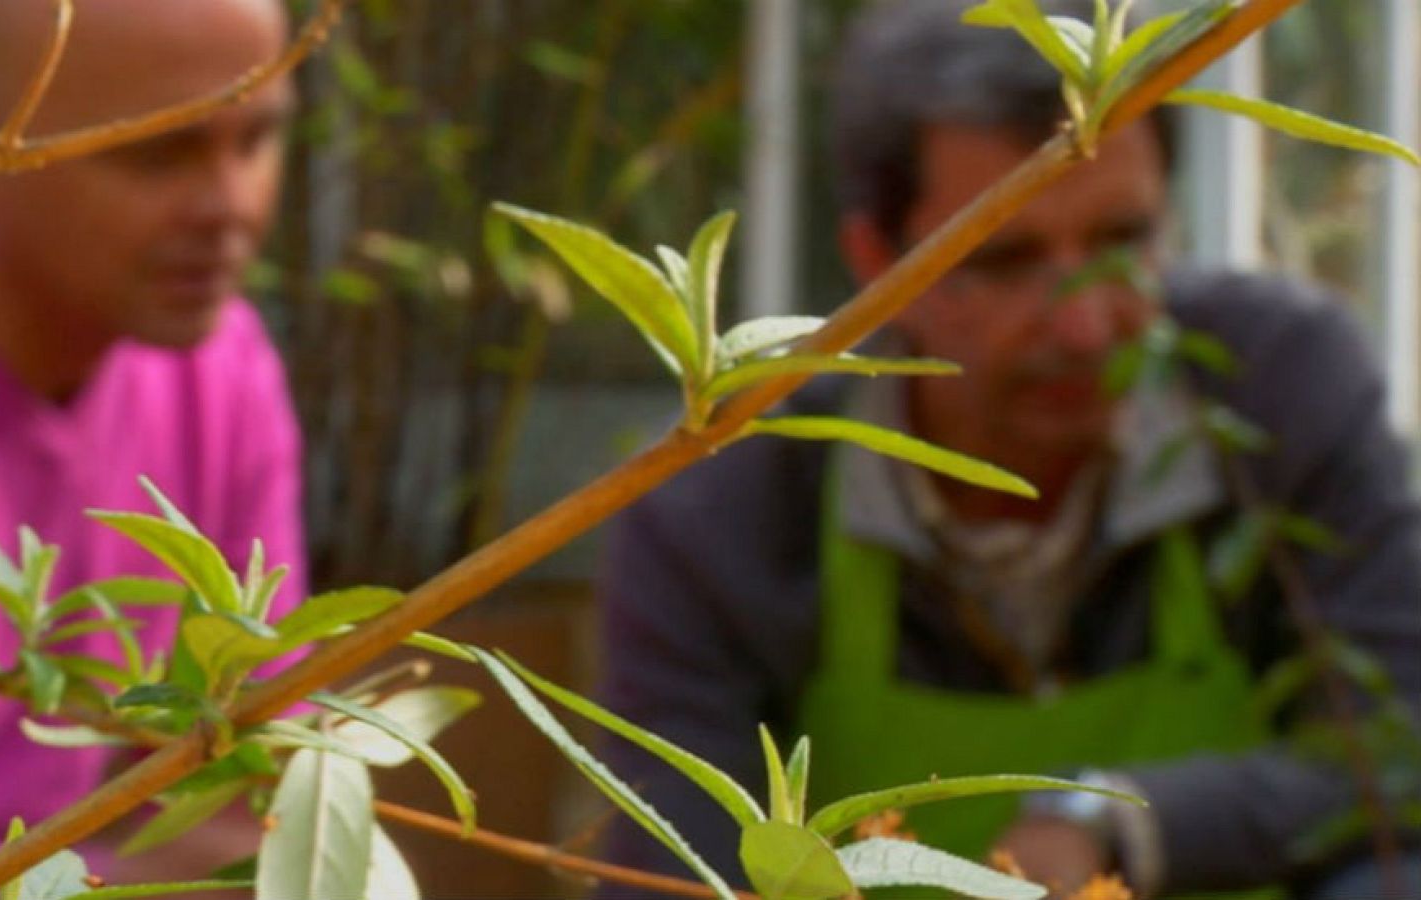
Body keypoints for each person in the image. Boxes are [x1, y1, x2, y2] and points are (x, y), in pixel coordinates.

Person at [596, 1, 1421, 896]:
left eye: (1121, 241)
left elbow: (1398, 753)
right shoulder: (726, 509)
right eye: (1003, 259)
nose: (1080, 324)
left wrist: (1113, 820)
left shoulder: (1278, 393)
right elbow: (667, 869)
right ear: (879, 260)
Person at [0, 0, 304, 893]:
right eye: (158, 151)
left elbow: (268, 780)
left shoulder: (223, 369)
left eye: (260, 140)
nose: (230, 205)